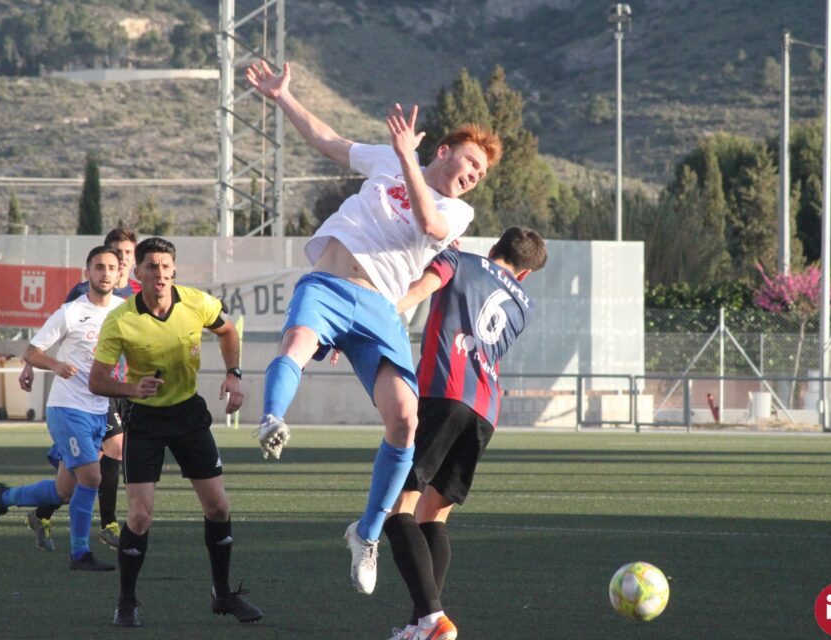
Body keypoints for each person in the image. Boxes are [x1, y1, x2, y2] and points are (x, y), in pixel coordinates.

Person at [244, 59, 503, 596]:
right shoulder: (387, 159)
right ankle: (271, 418)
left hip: (380, 310)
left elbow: (429, 223)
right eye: (472, 162)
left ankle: (365, 534)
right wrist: (283, 96)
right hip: (329, 285)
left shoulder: (458, 213)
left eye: (481, 174)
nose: (475, 175)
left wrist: (406, 158)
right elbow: (329, 141)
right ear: (444, 151)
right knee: (297, 342)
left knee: (406, 420)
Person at [87, 236, 262, 628]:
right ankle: (126, 602)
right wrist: (132, 389)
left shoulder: (197, 303)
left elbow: (228, 332)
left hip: (187, 415)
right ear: (137, 273)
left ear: (174, 270)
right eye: (152, 266)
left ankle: (222, 594)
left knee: (218, 507)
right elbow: (97, 380)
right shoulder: (121, 319)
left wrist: (234, 374)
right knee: (140, 516)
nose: (161, 274)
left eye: (166, 267)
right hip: (145, 420)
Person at [383, 227, 548, 640]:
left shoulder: (459, 261)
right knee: (434, 515)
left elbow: (418, 292)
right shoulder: (524, 306)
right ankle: (419, 626)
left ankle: (432, 619)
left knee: (397, 506)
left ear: (493, 248)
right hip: (485, 411)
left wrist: (371, 319)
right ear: (525, 274)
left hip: (444, 391)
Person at [0, 246, 127, 572]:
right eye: (98, 267)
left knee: (64, 491)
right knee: (92, 476)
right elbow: (32, 352)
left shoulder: (124, 310)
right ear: (87, 273)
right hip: (67, 407)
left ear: (119, 274)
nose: (105, 273)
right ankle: (80, 553)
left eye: (111, 267)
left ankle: (4, 497)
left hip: (99, 409)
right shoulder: (71, 312)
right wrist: (55, 364)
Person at [20, 227, 141, 552]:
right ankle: (103, 529)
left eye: (126, 254)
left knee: (87, 469)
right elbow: (53, 334)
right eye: (115, 252)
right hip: (84, 392)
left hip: (118, 389)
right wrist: (32, 364)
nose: (120, 259)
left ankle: (44, 514)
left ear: (132, 259)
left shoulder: (135, 295)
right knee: (103, 458)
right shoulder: (81, 295)